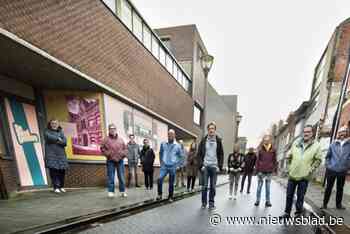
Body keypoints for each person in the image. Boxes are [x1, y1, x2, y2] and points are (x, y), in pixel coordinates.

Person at [280, 125, 322, 219]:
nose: (306, 134)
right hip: (292, 174)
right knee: (289, 195)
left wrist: (310, 170)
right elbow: (289, 156)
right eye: (304, 132)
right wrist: (290, 167)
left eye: (308, 132)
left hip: (304, 176)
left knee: (300, 196)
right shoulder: (296, 143)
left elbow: (318, 160)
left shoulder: (316, 145)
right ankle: (287, 213)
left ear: (312, 133)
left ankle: (298, 213)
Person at [322, 126, 350, 210]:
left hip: (342, 170)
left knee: (340, 189)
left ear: (346, 133)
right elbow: (327, 157)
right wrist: (328, 165)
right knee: (328, 188)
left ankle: (338, 205)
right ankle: (324, 204)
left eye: (344, 132)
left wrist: (347, 166)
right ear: (338, 133)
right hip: (332, 170)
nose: (342, 133)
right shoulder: (333, 144)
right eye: (340, 132)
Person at [198, 122, 224, 210]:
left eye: (213, 128)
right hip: (205, 166)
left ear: (215, 130)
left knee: (213, 186)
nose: (211, 130)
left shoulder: (218, 140)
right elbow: (199, 154)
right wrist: (201, 165)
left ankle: (211, 203)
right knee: (204, 186)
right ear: (207, 130)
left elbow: (221, 154)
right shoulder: (203, 140)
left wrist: (219, 166)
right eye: (210, 129)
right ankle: (204, 203)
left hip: (214, 167)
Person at [100, 124, 128, 198]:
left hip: (120, 160)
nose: (112, 130)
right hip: (110, 160)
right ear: (109, 130)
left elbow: (125, 149)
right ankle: (111, 191)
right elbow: (102, 148)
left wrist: (123, 154)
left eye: (114, 128)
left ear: (116, 129)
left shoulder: (121, 139)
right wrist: (108, 154)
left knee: (121, 176)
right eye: (111, 128)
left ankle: (122, 191)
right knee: (111, 176)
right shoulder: (105, 139)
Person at [157, 129, 184, 202]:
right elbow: (160, 153)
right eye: (169, 134)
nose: (170, 136)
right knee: (159, 179)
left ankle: (170, 196)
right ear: (167, 135)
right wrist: (161, 162)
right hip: (164, 166)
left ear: (174, 135)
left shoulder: (177, 146)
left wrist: (177, 165)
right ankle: (159, 194)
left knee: (171, 183)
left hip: (172, 166)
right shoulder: (163, 144)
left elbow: (181, 156)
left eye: (172, 134)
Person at [44, 119, 69, 194]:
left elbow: (65, 142)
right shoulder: (47, 131)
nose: (54, 125)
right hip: (51, 155)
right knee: (54, 172)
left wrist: (57, 139)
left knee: (62, 171)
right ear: (50, 124)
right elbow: (49, 137)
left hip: (61, 156)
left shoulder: (61, 132)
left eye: (56, 123)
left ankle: (61, 186)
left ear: (58, 124)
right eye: (53, 123)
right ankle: (56, 187)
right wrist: (58, 138)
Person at [254, 134, 277, 207]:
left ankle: (268, 201)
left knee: (268, 188)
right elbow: (257, 161)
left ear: (270, 140)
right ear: (263, 141)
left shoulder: (273, 150)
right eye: (265, 140)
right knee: (259, 187)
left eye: (267, 140)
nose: (266, 141)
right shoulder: (260, 150)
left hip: (269, 172)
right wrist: (257, 171)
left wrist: (274, 169)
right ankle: (257, 200)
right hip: (261, 171)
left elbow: (274, 160)